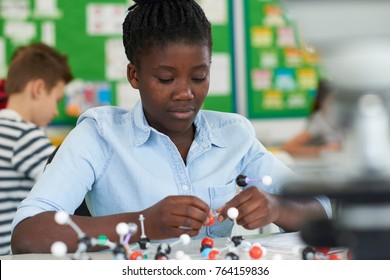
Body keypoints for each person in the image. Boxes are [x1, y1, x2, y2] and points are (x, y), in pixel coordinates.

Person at [11, 0, 331, 254]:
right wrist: (143, 224)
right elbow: (28, 232)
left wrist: (276, 208)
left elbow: (323, 209)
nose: (185, 93)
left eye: (199, 77)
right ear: (134, 76)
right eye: (165, 79)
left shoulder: (233, 136)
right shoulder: (100, 135)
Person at [0, 42, 73, 255]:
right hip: (12, 256)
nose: (55, 111)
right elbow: (68, 183)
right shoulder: (24, 135)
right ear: (38, 89)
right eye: (56, 100)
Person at [281, 79, 343, 158]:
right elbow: (288, 147)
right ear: (322, 102)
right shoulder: (320, 119)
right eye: (331, 103)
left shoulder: (350, 118)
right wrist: (321, 150)